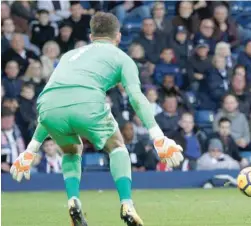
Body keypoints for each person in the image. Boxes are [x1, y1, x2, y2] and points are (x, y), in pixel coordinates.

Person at [9, 12, 184, 226]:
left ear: (91, 37)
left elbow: (55, 101)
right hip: (86, 103)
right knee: (117, 146)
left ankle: (73, 200)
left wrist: (30, 150)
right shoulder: (123, 58)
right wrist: (158, 137)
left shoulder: (68, 55)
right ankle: (127, 203)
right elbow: (137, 98)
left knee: (72, 150)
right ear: (118, 37)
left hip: (46, 105)